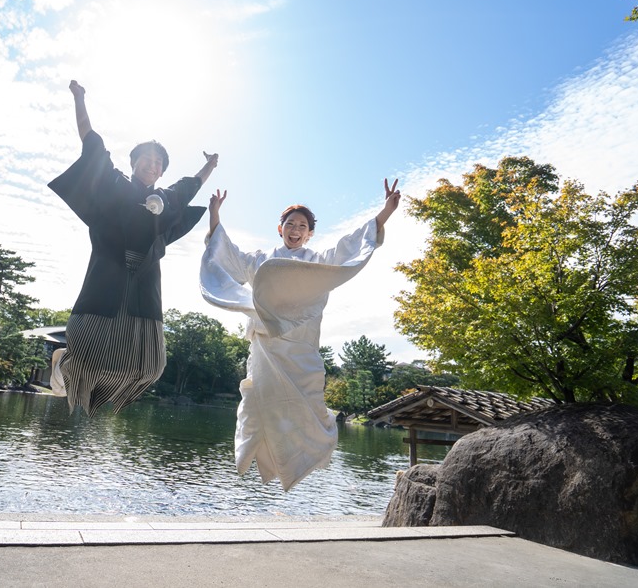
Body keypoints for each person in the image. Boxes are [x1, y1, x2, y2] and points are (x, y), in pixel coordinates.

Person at [199, 180, 401, 491]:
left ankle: (304, 457)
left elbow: (351, 246)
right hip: (267, 345)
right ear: (279, 229)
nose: (296, 229)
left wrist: (384, 213)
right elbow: (226, 255)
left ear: (310, 233)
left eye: (302, 226)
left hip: (302, 346)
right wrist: (214, 215)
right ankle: (255, 457)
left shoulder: (317, 262)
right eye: (290, 224)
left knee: (307, 401)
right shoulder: (260, 260)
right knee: (257, 400)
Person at [48, 80, 219, 416]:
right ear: (134, 162)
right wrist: (80, 98)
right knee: (85, 356)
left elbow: (193, 185)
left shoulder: (168, 198)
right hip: (107, 274)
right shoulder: (114, 183)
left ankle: (98, 392)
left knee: (150, 367)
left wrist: (211, 164)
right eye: (146, 159)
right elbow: (91, 143)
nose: (152, 165)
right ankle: (63, 363)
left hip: (144, 282)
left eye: (158, 163)